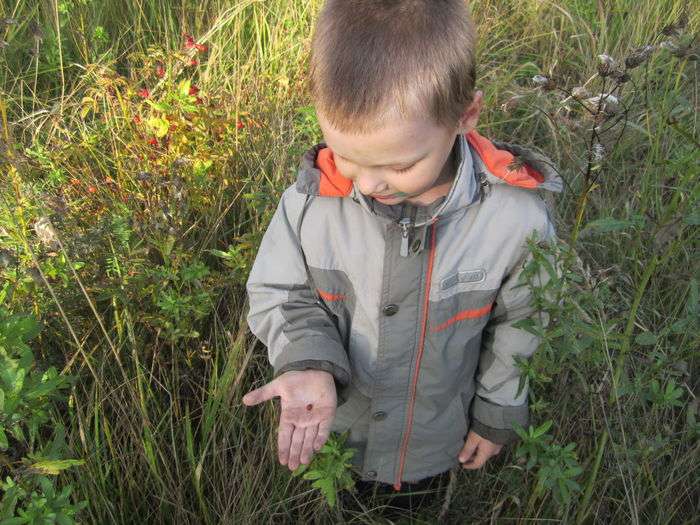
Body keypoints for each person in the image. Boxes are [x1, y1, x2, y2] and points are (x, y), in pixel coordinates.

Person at [241, 0, 562, 515]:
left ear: (466, 115)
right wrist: (306, 360)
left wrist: (498, 412)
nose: (367, 183)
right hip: (340, 436)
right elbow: (281, 291)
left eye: (399, 164)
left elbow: (525, 321)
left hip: (435, 443)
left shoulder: (515, 221)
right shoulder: (310, 205)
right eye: (347, 155)